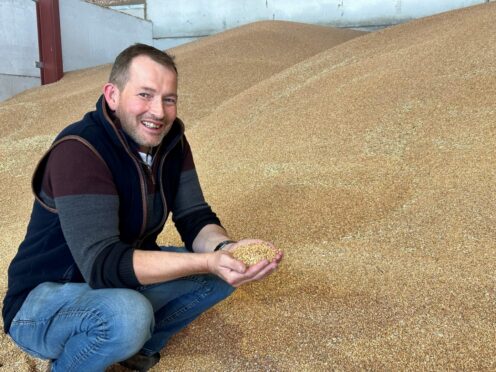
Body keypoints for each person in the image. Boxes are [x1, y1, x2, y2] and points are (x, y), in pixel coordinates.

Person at [2, 43, 283, 372]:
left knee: (223, 275)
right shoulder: (80, 149)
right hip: (44, 301)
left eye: (169, 99)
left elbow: (195, 218)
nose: (159, 112)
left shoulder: (172, 142)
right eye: (145, 95)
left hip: (118, 282)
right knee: (127, 314)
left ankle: (132, 349)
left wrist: (225, 249)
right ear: (113, 95)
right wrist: (207, 260)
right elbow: (103, 264)